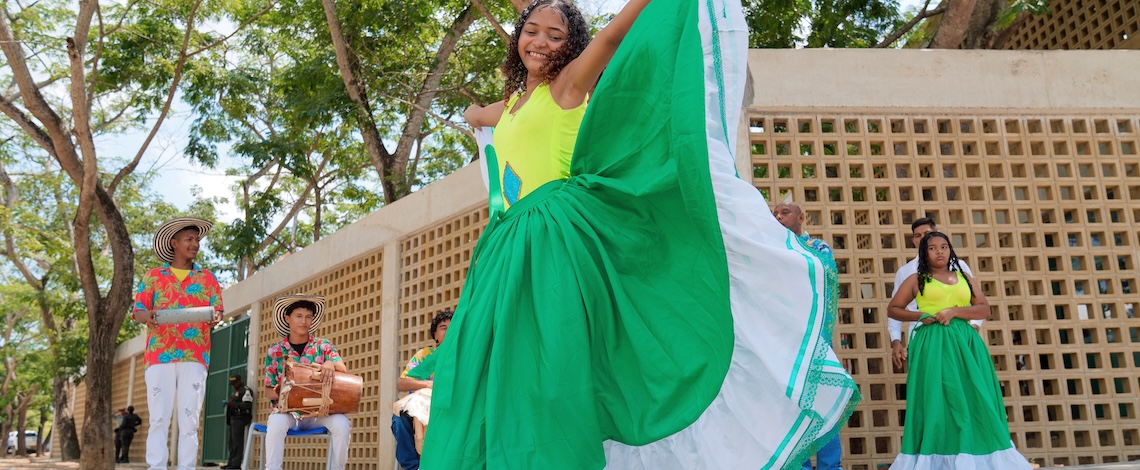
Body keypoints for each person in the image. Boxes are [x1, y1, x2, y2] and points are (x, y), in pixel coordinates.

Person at [423, 0, 859, 467]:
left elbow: (611, 38)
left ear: (571, 45)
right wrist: (472, 113)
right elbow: (480, 115)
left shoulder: (568, 85)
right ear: (517, 37)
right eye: (532, 30)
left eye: (555, 35)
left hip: (555, 242)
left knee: (552, 364)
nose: (541, 42)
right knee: (496, 366)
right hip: (507, 249)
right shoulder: (511, 105)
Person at [887, 232, 1030, 469]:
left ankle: (978, 454)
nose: (939, 252)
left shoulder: (964, 277)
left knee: (975, 395)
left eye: (944, 247)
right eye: (933, 248)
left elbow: (984, 308)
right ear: (924, 252)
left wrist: (954, 311)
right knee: (939, 396)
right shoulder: (916, 279)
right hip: (933, 343)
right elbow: (893, 309)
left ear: (950, 250)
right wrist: (920, 315)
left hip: (966, 343)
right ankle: (939, 456)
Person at [132, 217, 224, 470]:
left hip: (195, 355)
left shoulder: (208, 278)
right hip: (159, 353)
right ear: (174, 243)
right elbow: (138, 311)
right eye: (189, 239)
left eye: (197, 240)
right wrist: (147, 315)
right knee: (159, 418)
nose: (195, 244)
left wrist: (216, 317)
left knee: (189, 419)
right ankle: (156, 467)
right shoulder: (153, 277)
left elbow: (218, 311)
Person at [773, 202, 843, 470]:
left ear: (801, 217)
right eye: (775, 214)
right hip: (783, 336)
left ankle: (830, 466)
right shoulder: (769, 247)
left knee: (823, 402)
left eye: (784, 213)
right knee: (791, 407)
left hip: (815, 334)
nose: (778, 217)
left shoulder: (817, 247)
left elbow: (824, 274)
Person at [262, 294, 351, 470]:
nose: (304, 321)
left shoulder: (323, 346)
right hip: (287, 413)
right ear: (287, 318)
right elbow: (268, 391)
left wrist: (330, 363)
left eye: (308, 317)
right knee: (276, 423)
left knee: (342, 423)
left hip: (319, 413)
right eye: (299, 316)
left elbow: (343, 368)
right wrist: (281, 392)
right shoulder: (275, 351)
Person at [889, 217, 980, 370]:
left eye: (926, 233)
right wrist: (896, 341)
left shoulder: (959, 267)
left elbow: (976, 301)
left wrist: (974, 327)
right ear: (914, 241)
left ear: (936, 234)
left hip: (960, 336)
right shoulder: (905, 272)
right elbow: (895, 308)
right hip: (922, 337)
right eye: (917, 236)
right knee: (929, 380)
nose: (922, 238)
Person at [391, 309, 452, 470]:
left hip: (447, 411)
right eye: (444, 328)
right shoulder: (425, 355)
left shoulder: (462, 359)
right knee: (399, 417)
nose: (449, 331)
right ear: (435, 335)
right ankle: (414, 467)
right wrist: (427, 385)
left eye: (453, 327)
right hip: (419, 411)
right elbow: (402, 383)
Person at [221, 374, 254, 469]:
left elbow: (247, 404)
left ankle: (236, 464)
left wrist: (232, 404)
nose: (233, 386)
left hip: (240, 418)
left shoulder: (245, 390)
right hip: (234, 418)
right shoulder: (236, 391)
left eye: (234, 383)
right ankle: (231, 462)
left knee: (237, 442)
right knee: (231, 442)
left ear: (239, 381)